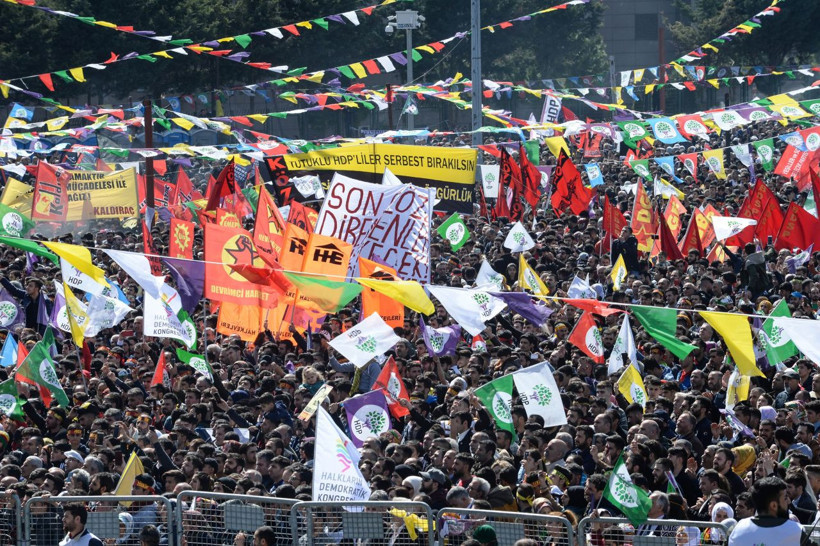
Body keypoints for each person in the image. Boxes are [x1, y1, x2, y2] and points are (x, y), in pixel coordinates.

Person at [728, 477, 806, 545]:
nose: (788, 502)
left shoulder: (736, 528)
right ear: (773, 505)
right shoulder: (796, 530)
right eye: (785, 498)